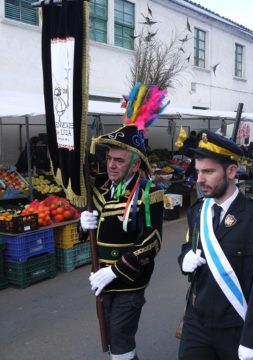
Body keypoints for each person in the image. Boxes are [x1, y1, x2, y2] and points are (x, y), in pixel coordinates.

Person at [80, 83, 166, 360]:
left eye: (119, 160)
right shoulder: (101, 189)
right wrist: (84, 225)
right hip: (101, 280)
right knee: (110, 339)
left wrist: (115, 270)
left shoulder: (149, 193)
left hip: (129, 281)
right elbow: (94, 230)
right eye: (109, 159)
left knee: (120, 340)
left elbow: (151, 243)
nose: (111, 165)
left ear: (136, 164)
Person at [178, 130, 253, 360]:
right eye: (198, 171)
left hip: (235, 328)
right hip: (196, 323)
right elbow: (186, 248)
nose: (199, 179)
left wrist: (252, 340)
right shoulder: (197, 212)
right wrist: (185, 260)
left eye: (208, 171)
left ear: (231, 171)